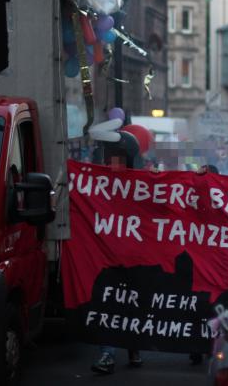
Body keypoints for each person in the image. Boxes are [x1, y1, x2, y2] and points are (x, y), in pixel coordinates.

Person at [91, 131, 143, 375]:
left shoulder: (145, 186)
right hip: (107, 258)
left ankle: (134, 347)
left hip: (136, 260)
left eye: (119, 158)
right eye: (111, 157)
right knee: (107, 303)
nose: (114, 163)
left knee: (133, 305)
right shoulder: (97, 183)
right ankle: (107, 354)